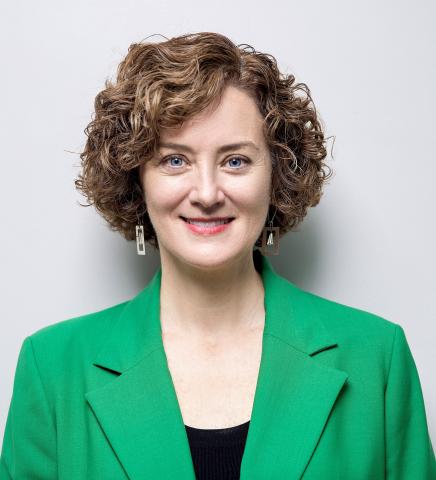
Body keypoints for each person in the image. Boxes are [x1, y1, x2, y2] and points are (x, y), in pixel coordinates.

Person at [0, 31, 434, 480]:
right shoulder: (52, 368)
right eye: (174, 161)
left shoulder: (376, 357)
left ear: (278, 174)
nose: (207, 194)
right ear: (136, 180)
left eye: (235, 161)